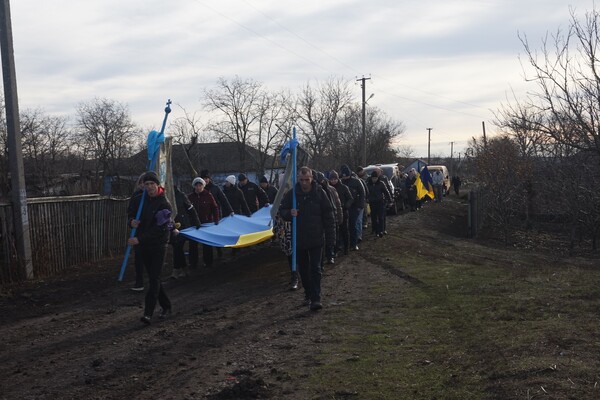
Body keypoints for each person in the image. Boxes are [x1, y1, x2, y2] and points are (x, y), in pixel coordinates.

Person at [279, 166, 336, 311]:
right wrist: (289, 213)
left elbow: (329, 215)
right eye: (302, 180)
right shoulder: (292, 194)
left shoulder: (319, 193)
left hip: (316, 238)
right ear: (298, 179)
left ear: (311, 178)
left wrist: (331, 239)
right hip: (299, 239)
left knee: (315, 268)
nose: (304, 183)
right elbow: (282, 211)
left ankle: (316, 298)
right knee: (303, 270)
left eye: (307, 179)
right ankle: (308, 293)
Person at [127, 171, 174, 325]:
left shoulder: (164, 204)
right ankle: (166, 306)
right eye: (146, 184)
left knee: (154, 278)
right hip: (143, 245)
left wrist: (138, 238)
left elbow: (159, 229)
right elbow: (130, 214)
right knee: (155, 278)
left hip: (159, 244)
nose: (149, 187)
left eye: (152, 184)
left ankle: (148, 313)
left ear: (157, 185)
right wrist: (132, 222)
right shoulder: (140, 200)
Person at [169, 184, 200, 279]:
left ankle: (176, 269)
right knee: (176, 247)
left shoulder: (181, 195)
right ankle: (183, 268)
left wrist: (197, 222)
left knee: (178, 246)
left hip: (183, 225)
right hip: (170, 225)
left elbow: (191, 209)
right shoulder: (164, 196)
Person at [188, 177, 220, 268]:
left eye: (200, 185)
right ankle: (193, 263)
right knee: (193, 245)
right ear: (194, 186)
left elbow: (215, 207)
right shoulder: (190, 197)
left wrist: (216, 219)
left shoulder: (208, 195)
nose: (198, 187)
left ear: (203, 186)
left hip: (206, 223)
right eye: (196, 185)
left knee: (207, 244)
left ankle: (208, 262)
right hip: (194, 225)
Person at [200, 170, 233, 258]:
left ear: (209, 179)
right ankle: (208, 257)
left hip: (216, 215)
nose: (205, 180)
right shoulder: (199, 189)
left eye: (207, 178)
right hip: (204, 217)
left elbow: (223, 200)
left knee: (217, 235)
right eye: (204, 178)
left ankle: (219, 252)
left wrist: (230, 211)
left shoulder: (215, 188)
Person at [315, 171, 341, 265]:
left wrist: (337, 217)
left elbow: (336, 204)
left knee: (330, 236)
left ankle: (330, 255)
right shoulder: (315, 191)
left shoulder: (329, 190)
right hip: (318, 218)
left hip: (328, 216)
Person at [339, 164, 365, 251]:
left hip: (354, 206)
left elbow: (362, 193)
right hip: (344, 207)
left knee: (352, 225)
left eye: (346, 176)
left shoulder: (356, 182)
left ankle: (354, 243)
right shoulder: (341, 182)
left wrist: (360, 206)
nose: (345, 178)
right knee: (343, 227)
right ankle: (344, 243)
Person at [127, 173, 146, 291]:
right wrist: (131, 221)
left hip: (152, 231)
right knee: (139, 257)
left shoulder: (155, 196)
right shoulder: (136, 196)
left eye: (149, 183)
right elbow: (130, 214)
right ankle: (139, 281)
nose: (145, 185)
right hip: (139, 231)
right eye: (143, 183)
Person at [328, 170, 353, 255]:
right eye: (332, 179)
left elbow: (350, 198)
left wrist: (346, 205)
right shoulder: (328, 189)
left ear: (338, 179)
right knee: (335, 233)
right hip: (333, 213)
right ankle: (336, 249)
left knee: (345, 231)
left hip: (344, 212)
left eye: (335, 179)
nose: (333, 181)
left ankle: (346, 248)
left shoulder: (344, 187)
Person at [367, 171, 393, 237]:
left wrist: (390, 200)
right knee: (373, 217)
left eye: (375, 178)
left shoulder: (381, 183)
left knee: (381, 217)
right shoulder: (368, 184)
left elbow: (386, 192)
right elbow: (367, 193)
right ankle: (375, 230)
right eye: (373, 178)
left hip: (380, 202)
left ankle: (382, 230)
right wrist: (367, 199)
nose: (374, 180)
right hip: (372, 203)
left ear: (377, 178)